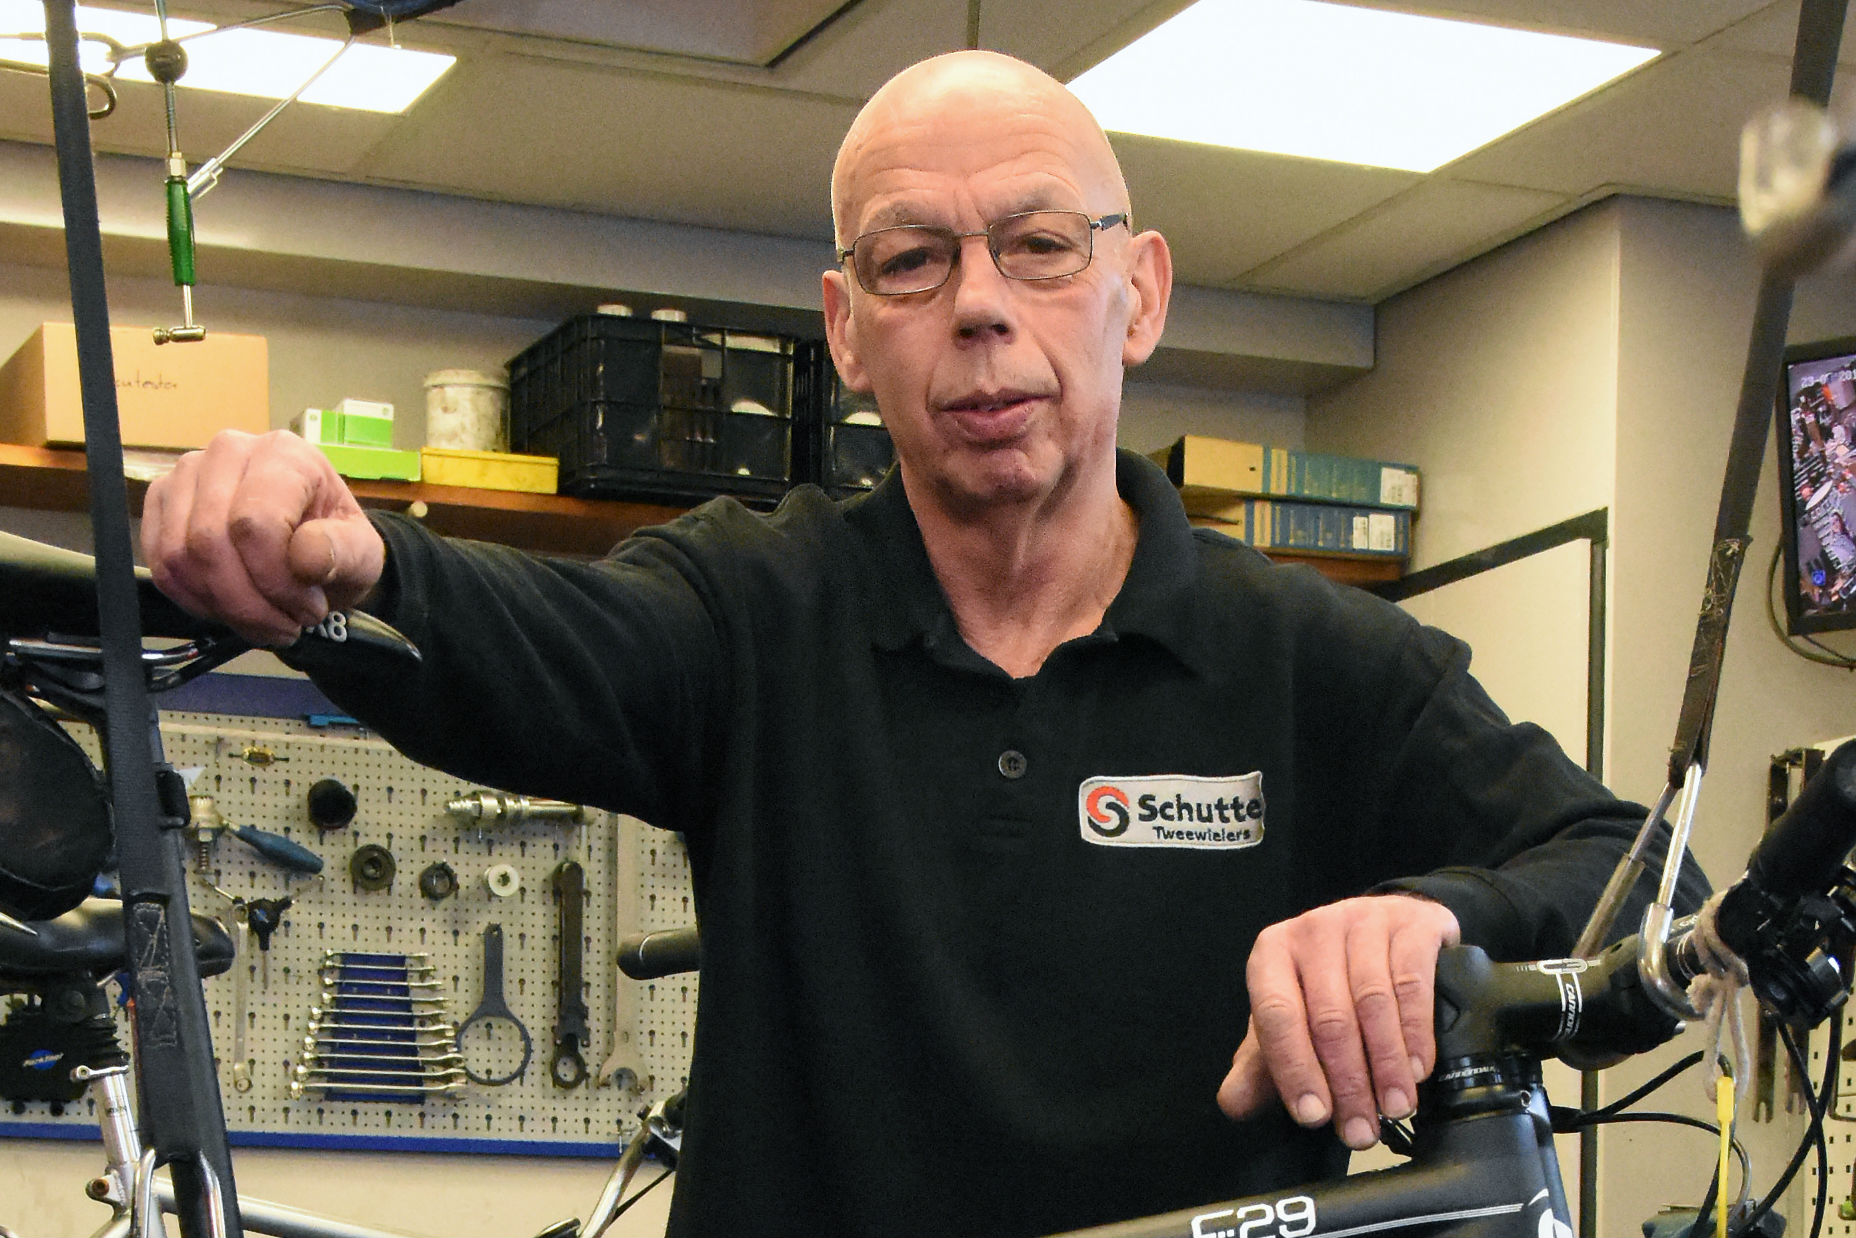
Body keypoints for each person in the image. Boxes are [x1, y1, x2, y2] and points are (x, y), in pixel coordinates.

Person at [143, 50, 1704, 1238]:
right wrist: (351, 565)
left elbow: (1651, 896)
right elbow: (546, 637)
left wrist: (1437, 921)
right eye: (913, 260)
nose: (979, 308)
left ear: (1136, 293)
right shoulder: (755, 610)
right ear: (844, 327)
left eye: (1039, 246)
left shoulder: (1310, 657)